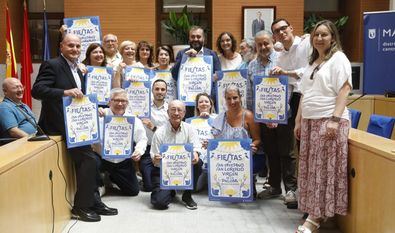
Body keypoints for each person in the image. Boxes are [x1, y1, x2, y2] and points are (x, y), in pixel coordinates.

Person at [32, 34, 117, 222]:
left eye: (78, 46)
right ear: (61, 46)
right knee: (89, 161)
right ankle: (80, 207)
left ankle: (93, 200)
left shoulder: (78, 69)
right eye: (71, 45)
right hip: (58, 126)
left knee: (94, 160)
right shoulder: (52, 64)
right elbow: (37, 90)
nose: (75, 49)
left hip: (78, 127)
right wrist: (64, 92)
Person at [294, 20, 352, 233]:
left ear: (333, 38)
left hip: (329, 120)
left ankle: (315, 218)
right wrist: (298, 120)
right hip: (310, 121)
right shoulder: (313, 62)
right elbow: (304, 94)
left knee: (323, 171)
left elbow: (345, 89)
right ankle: (314, 212)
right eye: (316, 34)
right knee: (311, 170)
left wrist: (334, 120)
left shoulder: (338, 59)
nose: (319, 38)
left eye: (324, 35)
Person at [269, 18, 312, 208]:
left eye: (284, 28)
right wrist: (276, 112)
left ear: (291, 28)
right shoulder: (279, 56)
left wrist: (286, 73)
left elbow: (309, 70)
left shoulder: (306, 44)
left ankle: (309, 192)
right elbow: (281, 86)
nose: (281, 32)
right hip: (289, 101)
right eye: (277, 31)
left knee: (305, 148)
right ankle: (292, 190)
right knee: (287, 146)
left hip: (308, 98)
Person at [92, 88, 147, 196]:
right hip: (101, 158)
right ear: (109, 102)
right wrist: (94, 113)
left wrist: (138, 151)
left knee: (133, 191)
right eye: (116, 100)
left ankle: (112, 178)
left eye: (123, 101)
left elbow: (142, 138)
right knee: (91, 161)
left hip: (122, 160)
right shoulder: (99, 115)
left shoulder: (133, 119)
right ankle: (100, 180)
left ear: (127, 103)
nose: (120, 103)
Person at [150, 100, 202, 210]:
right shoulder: (159, 132)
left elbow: (196, 148)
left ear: (184, 113)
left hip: (183, 169)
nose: (176, 113)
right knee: (160, 203)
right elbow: (154, 159)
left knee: (198, 163)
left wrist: (196, 154)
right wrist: (156, 158)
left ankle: (187, 196)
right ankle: (170, 190)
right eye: (173, 110)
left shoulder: (190, 129)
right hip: (163, 171)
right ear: (168, 112)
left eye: (179, 110)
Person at [210, 86, 261, 195]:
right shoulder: (221, 117)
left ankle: (250, 182)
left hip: (243, 157)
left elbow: (257, 139)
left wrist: (251, 146)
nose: (232, 101)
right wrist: (209, 144)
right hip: (225, 158)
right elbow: (215, 140)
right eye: (228, 98)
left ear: (240, 97)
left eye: (235, 97)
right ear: (225, 99)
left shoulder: (248, 116)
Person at [171, 26, 221, 117]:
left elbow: (219, 78)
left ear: (203, 39)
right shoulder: (182, 53)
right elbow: (174, 75)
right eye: (192, 37)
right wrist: (184, 58)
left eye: (198, 36)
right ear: (189, 38)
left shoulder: (212, 54)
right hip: (187, 105)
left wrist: (210, 99)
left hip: (206, 105)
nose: (195, 39)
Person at [140, 79, 169, 192]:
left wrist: (153, 128)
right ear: (152, 90)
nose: (160, 91)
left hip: (164, 149)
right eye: (157, 89)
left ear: (166, 92)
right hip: (148, 149)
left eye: (163, 89)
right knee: (148, 187)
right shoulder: (144, 107)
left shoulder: (170, 109)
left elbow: (169, 133)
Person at [187, 93, 217, 191]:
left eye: (206, 101)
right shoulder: (189, 121)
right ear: (197, 105)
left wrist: (210, 119)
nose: (204, 104)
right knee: (195, 189)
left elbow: (224, 137)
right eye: (200, 102)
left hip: (213, 156)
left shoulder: (218, 118)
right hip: (198, 156)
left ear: (211, 104)